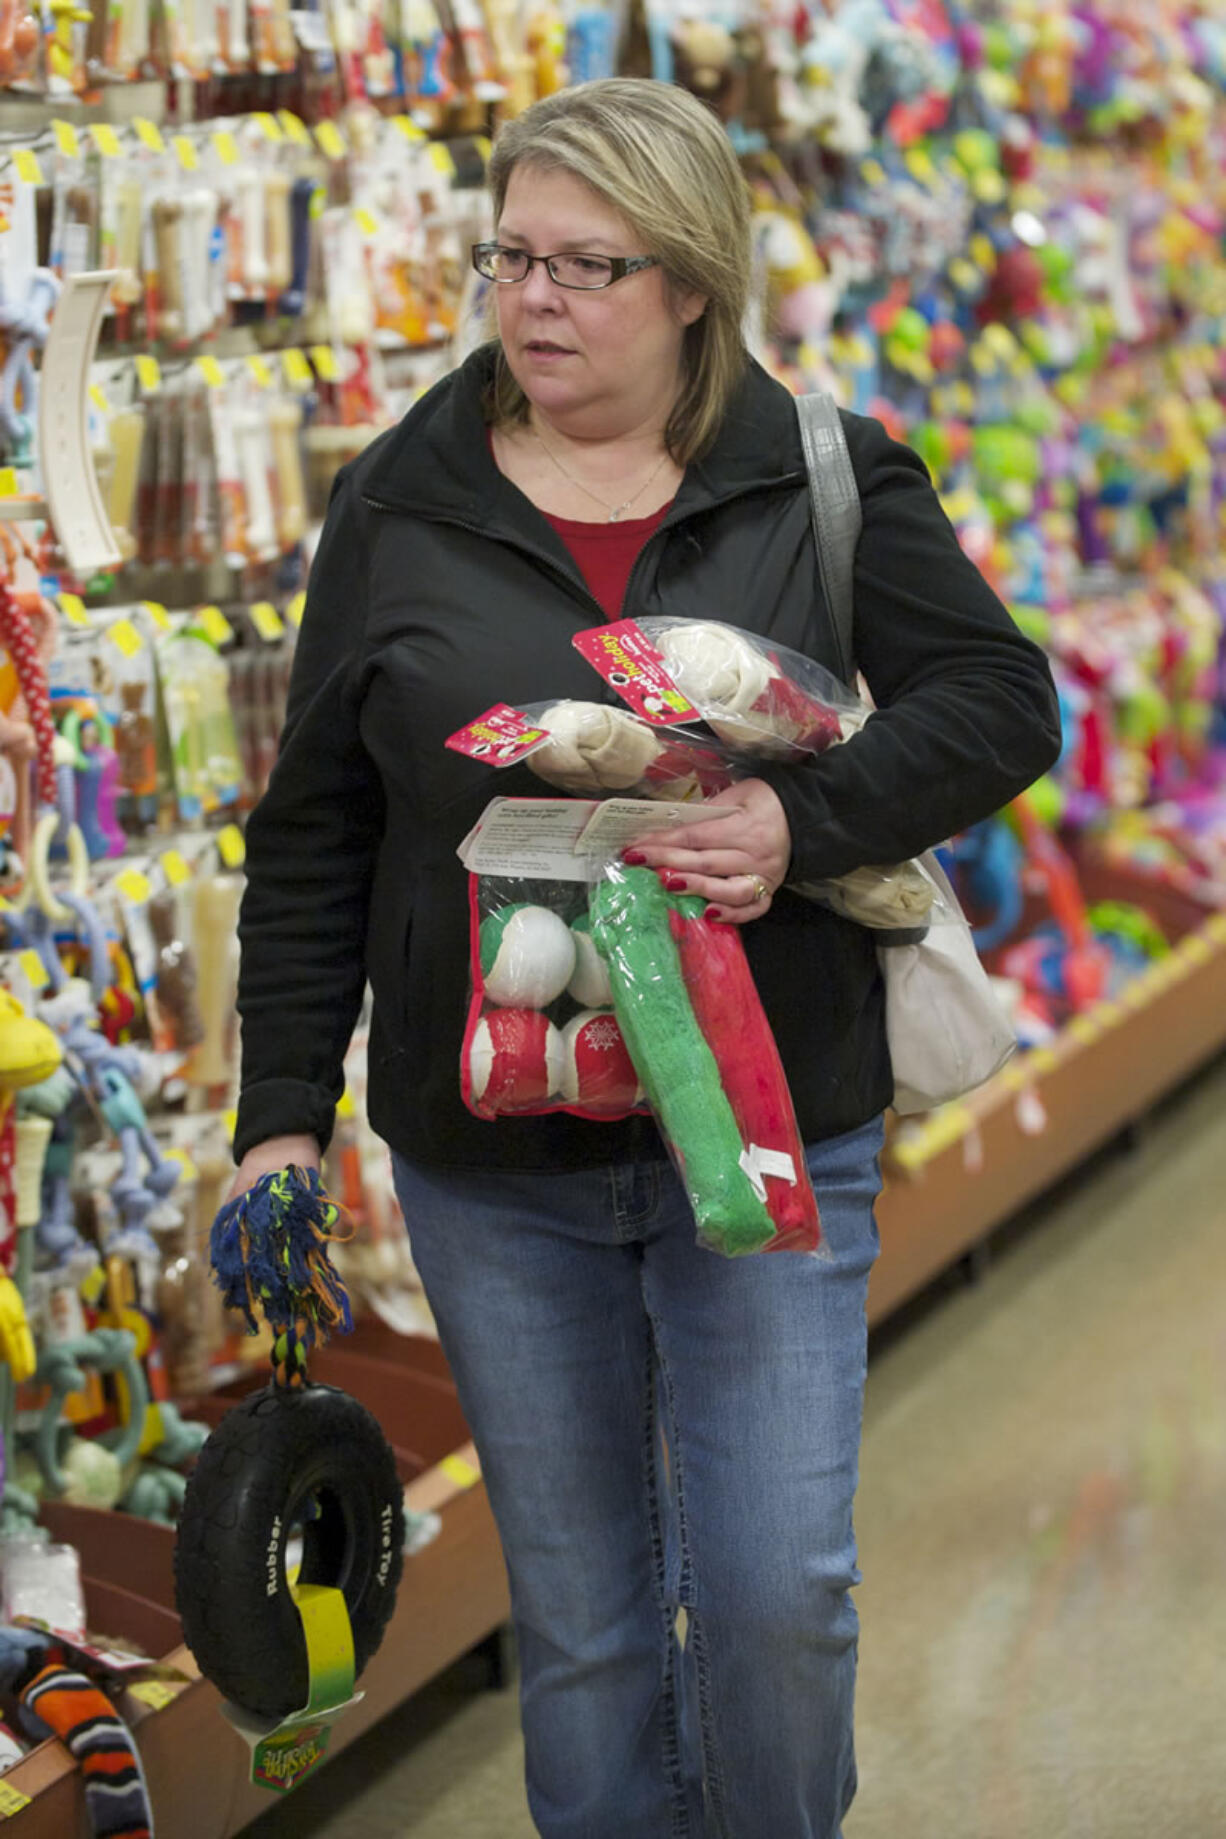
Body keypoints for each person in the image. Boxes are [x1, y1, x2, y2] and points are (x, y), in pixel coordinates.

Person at [230, 77, 1061, 1839]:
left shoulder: (819, 472)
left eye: (582, 265)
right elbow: (317, 828)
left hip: (763, 1135)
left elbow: (1000, 699)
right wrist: (280, 1114)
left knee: (775, 1595)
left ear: (688, 281)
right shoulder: (399, 503)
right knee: (592, 1630)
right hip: (493, 1163)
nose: (530, 299)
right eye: (507, 258)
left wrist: (796, 824)